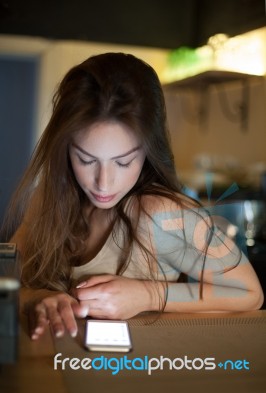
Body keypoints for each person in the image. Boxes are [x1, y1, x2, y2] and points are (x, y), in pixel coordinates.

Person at [2, 52, 263, 340]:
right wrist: (38, 297)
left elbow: (249, 292)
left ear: (148, 151)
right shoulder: (47, 198)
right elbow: (6, 281)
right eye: (86, 160)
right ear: (64, 149)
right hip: (55, 374)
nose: (103, 183)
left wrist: (149, 295)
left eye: (124, 162)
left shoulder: (162, 214)